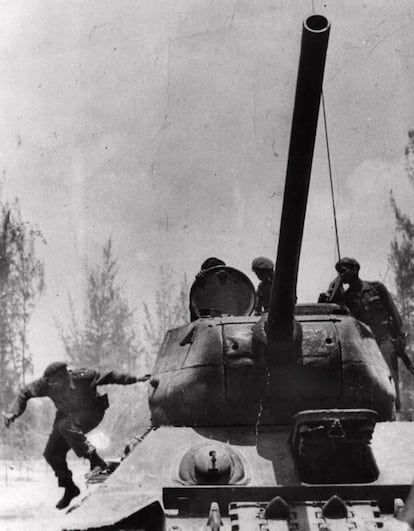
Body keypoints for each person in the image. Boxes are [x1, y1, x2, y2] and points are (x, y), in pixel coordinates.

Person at [3, 361, 150, 510]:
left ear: (66, 377)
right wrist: (13, 413)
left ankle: (97, 462)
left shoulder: (84, 377)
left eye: (56, 383)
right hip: (67, 417)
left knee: (65, 425)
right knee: (52, 453)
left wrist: (136, 378)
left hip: (91, 412)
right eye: (50, 383)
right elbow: (25, 393)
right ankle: (70, 488)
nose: (53, 386)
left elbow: (111, 376)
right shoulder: (45, 384)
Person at [319, 257, 414, 407]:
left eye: (344, 271)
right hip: (365, 342)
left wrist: (400, 336)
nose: (341, 275)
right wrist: (333, 291)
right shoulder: (347, 297)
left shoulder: (377, 288)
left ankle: (395, 409)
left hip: (385, 338)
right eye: (339, 272)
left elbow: (394, 313)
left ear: (355, 269)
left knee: (389, 372)